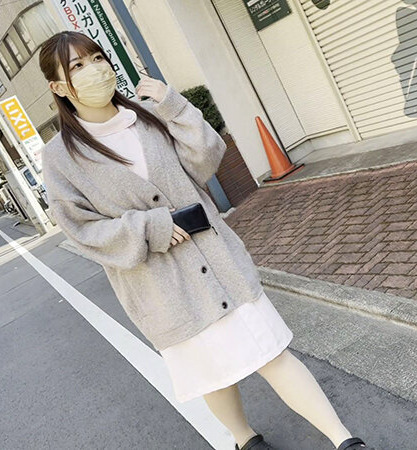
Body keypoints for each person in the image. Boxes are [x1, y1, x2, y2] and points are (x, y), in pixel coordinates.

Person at [38, 31, 374, 450]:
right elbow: (81, 228)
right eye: (77, 66)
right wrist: (150, 228)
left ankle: (345, 440)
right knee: (213, 374)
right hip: (162, 288)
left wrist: (174, 106)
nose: (95, 70)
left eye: (97, 58)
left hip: (217, 261)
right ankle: (245, 440)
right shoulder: (60, 156)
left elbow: (206, 160)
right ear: (58, 87)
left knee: (272, 352)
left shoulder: (150, 116)